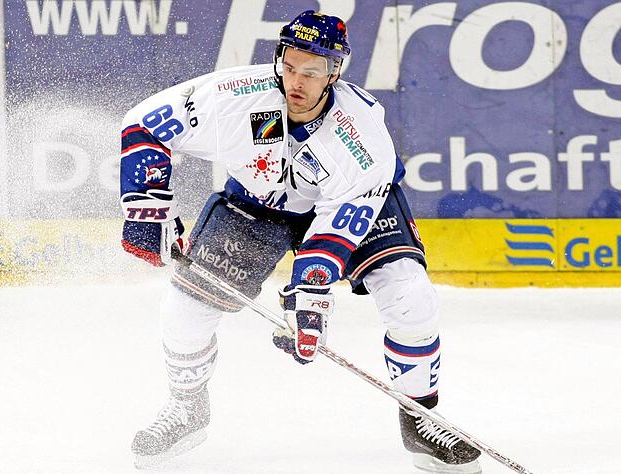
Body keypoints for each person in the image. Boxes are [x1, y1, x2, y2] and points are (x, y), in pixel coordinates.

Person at [120, 10, 481, 473]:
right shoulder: (234, 95)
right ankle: (187, 409)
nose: (297, 80)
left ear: (334, 72)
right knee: (184, 312)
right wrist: (147, 207)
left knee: (410, 294)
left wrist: (309, 294)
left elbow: (337, 226)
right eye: (290, 65)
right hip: (256, 206)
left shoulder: (363, 138)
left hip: (348, 208)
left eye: (311, 71)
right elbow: (143, 125)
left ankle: (421, 419)